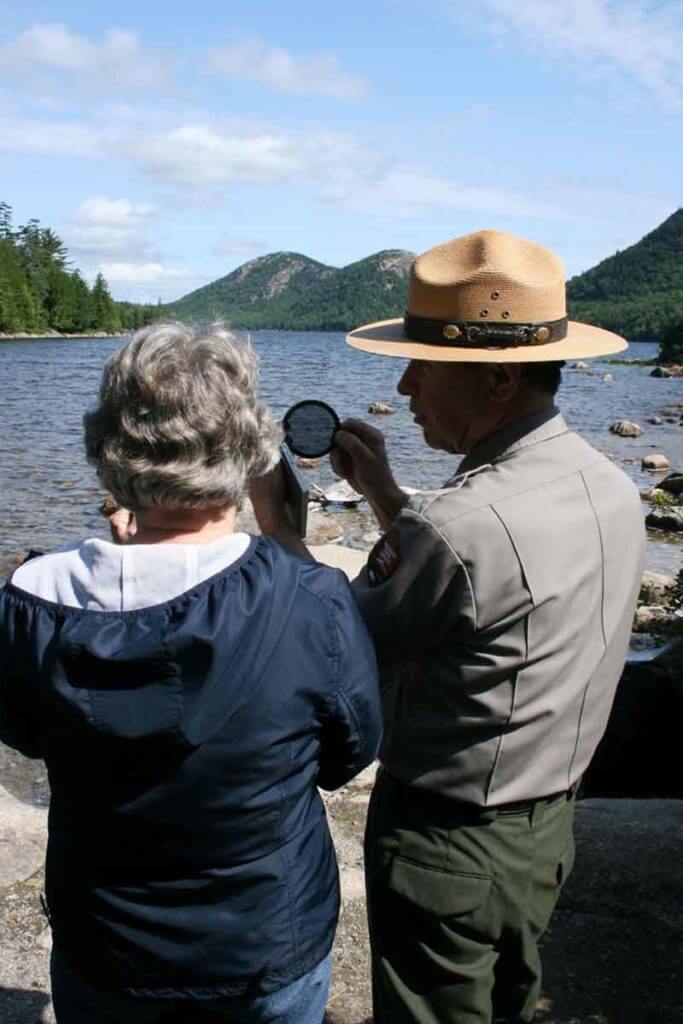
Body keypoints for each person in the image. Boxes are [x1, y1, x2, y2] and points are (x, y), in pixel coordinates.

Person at [251, 230, 646, 1023]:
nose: (401, 389)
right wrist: (388, 499)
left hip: (449, 846)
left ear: (497, 378)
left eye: (421, 368)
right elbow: (485, 594)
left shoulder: (456, 529)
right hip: (543, 829)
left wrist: (283, 533)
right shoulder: (605, 484)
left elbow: (332, 649)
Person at [0, 322, 381, 1024]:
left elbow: (26, 733)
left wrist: (128, 568)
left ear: (107, 448)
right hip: (265, 942)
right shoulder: (310, 600)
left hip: (107, 941)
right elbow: (345, 754)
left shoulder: (31, 602)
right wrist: (287, 539)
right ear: (248, 448)